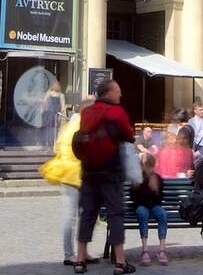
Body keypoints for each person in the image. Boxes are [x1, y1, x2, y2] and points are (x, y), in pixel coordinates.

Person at [73, 80, 135, 275]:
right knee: (116, 214)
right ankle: (120, 262)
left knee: (87, 214)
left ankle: (80, 260)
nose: (120, 95)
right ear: (108, 93)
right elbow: (129, 135)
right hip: (110, 170)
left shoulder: (87, 112)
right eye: (118, 91)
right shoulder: (116, 112)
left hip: (89, 171)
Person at [40, 95, 92, 268]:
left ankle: (80, 251)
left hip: (71, 174)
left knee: (82, 215)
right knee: (73, 217)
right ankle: (70, 253)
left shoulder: (71, 124)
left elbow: (57, 146)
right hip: (75, 175)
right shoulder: (80, 125)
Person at [128, 153, 170, 266]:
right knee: (142, 213)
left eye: (150, 166)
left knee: (162, 214)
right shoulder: (137, 178)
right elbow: (133, 199)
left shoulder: (157, 178)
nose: (148, 169)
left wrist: (155, 191)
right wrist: (137, 187)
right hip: (141, 206)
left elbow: (160, 199)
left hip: (154, 206)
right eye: (146, 166)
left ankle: (162, 249)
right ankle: (144, 250)